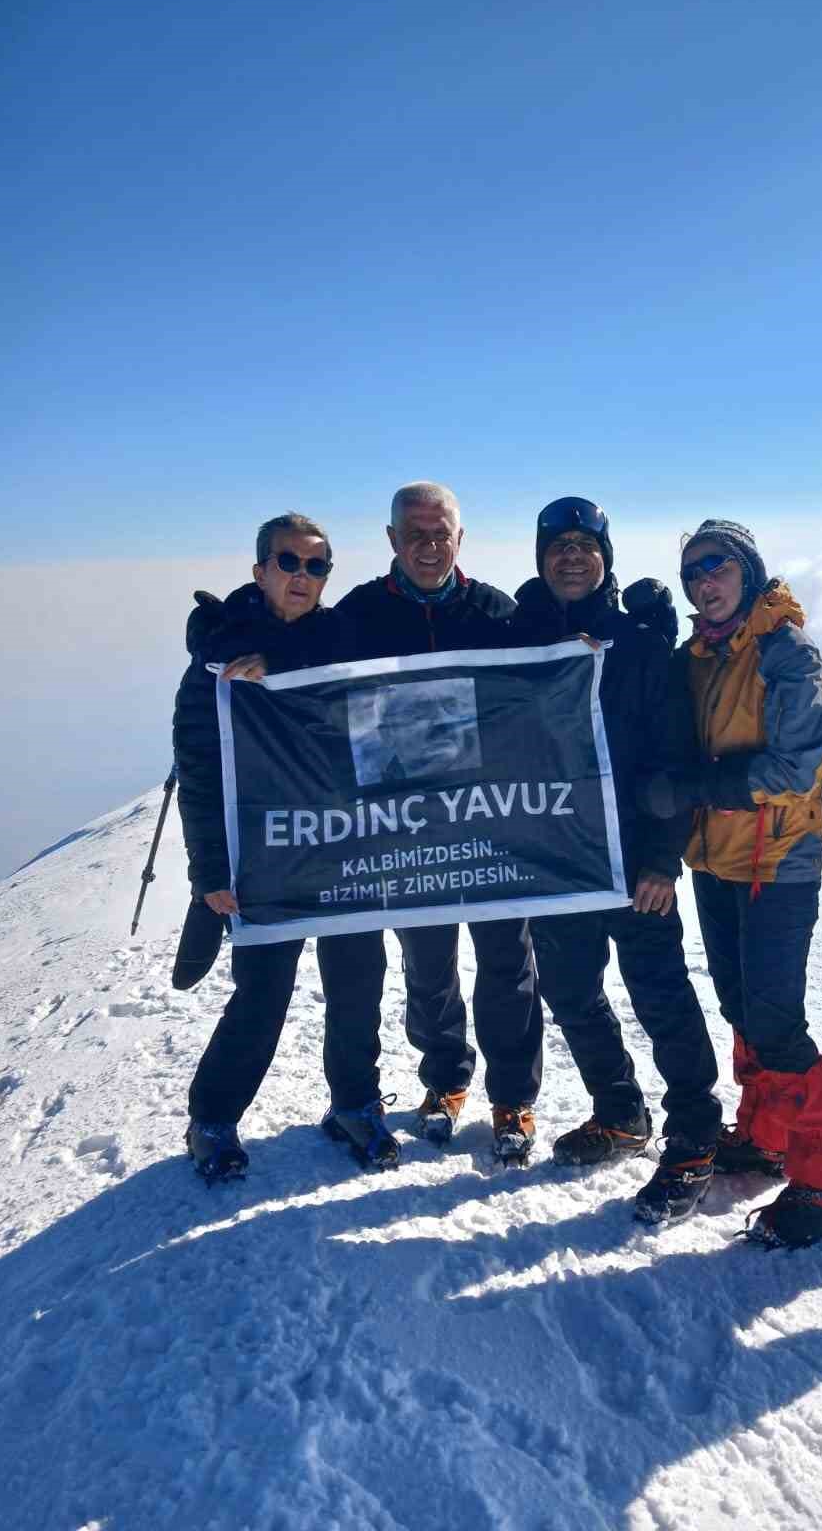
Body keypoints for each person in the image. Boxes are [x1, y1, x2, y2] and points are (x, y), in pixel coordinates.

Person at [646, 518, 822, 1249]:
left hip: (779, 859)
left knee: (772, 1016)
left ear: (748, 571)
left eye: (719, 567)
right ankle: (766, 1135)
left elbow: (795, 767)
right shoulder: (701, 656)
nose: (706, 582)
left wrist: (695, 789)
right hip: (720, 859)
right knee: (740, 1001)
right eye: (694, 574)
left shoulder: (784, 652)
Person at [509, 498, 721, 1222]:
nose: (572, 556)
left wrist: (664, 859)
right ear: (540, 556)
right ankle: (620, 1109)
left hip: (633, 856)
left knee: (659, 992)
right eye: (558, 545)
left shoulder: (638, 645)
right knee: (567, 987)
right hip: (556, 856)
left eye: (585, 545)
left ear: (605, 556)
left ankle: (695, 1134)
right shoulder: (513, 638)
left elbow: (673, 755)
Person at [174, 513, 396, 1181]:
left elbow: (374, 706)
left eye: (317, 565)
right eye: (289, 562)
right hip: (265, 855)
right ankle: (212, 1116)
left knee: (359, 983)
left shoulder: (341, 639)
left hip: (344, 847)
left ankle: (354, 1103)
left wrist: (285, 666)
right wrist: (209, 870)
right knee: (263, 992)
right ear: (260, 570)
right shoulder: (219, 655)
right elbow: (199, 771)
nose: (303, 577)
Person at [333, 482, 543, 1163]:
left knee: (507, 961)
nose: (429, 546)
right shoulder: (358, 613)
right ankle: (446, 1080)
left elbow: (550, 685)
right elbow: (300, 674)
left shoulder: (496, 611)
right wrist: (238, 636)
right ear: (392, 539)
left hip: (489, 824)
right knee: (427, 965)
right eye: (414, 534)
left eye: (441, 532)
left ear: (461, 537)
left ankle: (512, 1096)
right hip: (406, 830)